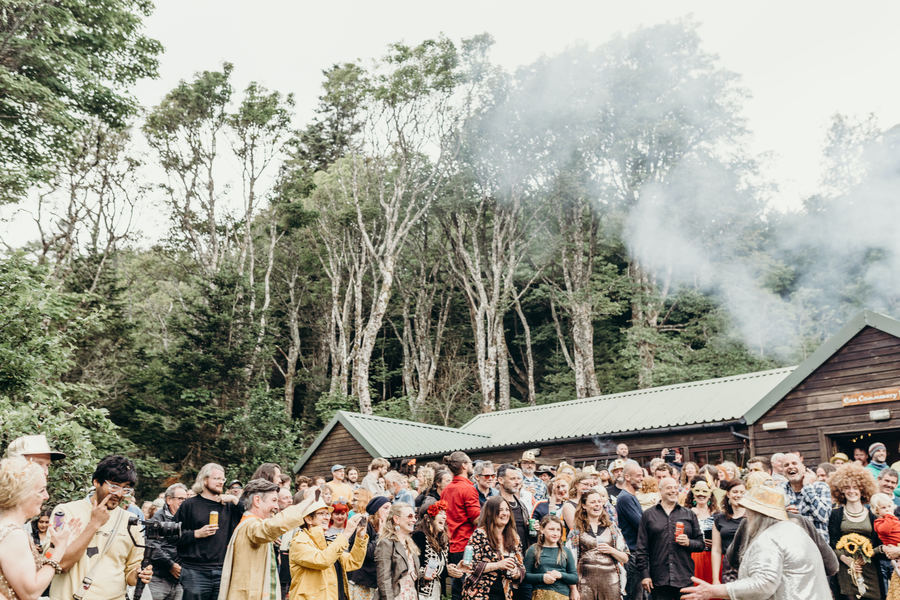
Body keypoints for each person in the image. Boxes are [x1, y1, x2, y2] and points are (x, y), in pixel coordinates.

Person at [679, 484, 831, 600]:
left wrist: (716, 591)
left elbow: (763, 583)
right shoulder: (794, 530)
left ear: (758, 514)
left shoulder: (769, 539)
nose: (745, 515)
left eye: (749, 511)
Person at [50, 455, 153, 600]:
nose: (118, 494)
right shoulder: (63, 513)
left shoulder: (131, 521)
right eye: (114, 486)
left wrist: (139, 574)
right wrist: (94, 524)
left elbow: (131, 575)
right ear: (96, 482)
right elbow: (59, 564)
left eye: (125, 489)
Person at [218, 479, 313, 600]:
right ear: (257, 500)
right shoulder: (250, 525)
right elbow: (273, 526)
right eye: (273, 500)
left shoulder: (253, 524)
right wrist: (309, 500)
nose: (276, 506)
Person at [0, 456, 71, 600]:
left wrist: (52, 548)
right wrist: (59, 550)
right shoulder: (14, 535)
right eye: (41, 490)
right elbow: (30, 592)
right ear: (22, 494)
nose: (46, 496)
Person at [176, 463, 245, 600]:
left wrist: (234, 499)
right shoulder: (189, 505)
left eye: (223, 479)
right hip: (194, 571)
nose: (220, 482)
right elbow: (171, 535)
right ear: (204, 479)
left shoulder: (229, 505)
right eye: (216, 478)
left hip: (222, 570)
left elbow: (249, 519)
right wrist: (196, 534)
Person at [633, 477, 703, 600]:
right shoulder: (648, 515)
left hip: (684, 576)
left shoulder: (688, 514)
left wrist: (689, 542)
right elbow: (642, 548)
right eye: (669, 488)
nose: (673, 491)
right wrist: (645, 575)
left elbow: (701, 544)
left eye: (675, 487)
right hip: (659, 579)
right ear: (660, 491)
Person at [288, 496, 368, 600]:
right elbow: (323, 560)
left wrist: (360, 536)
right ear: (308, 519)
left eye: (327, 514)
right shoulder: (299, 542)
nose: (327, 517)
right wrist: (347, 533)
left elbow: (353, 562)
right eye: (321, 514)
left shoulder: (328, 542)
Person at [828, 463, 884, 600]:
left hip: (870, 570)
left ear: (863, 489)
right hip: (845, 571)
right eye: (847, 487)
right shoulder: (835, 515)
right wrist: (847, 560)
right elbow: (832, 543)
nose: (851, 491)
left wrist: (865, 558)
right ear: (841, 490)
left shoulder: (873, 515)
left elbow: (879, 544)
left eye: (855, 487)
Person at [460, 496, 525, 600]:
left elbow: (521, 567)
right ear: (490, 513)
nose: (505, 513)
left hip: (504, 594)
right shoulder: (480, 534)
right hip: (479, 593)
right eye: (500, 510)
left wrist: (515, 572)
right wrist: (498, 565)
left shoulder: (514, 537)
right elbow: (470, 565)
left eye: (507, 510)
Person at [573, 489, 628, 599]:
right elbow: (571, 561)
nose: (597, 505)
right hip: (584, 583)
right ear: (584, 505)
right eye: (593, 502)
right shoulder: (576, 530)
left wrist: (611, 550)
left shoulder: (612, 528)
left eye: (599, 501)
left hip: (611, 582)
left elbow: (625, 558)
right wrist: (573, 589)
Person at [441, 451, 479, 600]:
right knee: (469, 588)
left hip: (452, 545)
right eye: (470, 463)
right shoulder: (468, 488)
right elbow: (476, 519)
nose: (472, 466)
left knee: (457, 589)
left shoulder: (446, 490)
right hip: (466, 545)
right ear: (464, 465)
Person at [413, 500, 463, 600]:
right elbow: (415, 568)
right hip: (421, 594)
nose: (444, 517)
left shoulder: (442, 540)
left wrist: (455, 569)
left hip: (436, 592)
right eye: (440, 513)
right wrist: (445, 570)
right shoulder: (419, 536)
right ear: (427, 518)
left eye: (445, 514)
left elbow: (442, 570)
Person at [148, 483, 189, 600]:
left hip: (180, 580)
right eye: (180, 498)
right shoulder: (157, 519)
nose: (184, 502)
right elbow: (152, 546)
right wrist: (170, 565)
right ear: (169, 500)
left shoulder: (188, 517)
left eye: (186, 499)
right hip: (158, 579)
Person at [780, 452, 832, 541]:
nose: (790, 466)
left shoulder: (820, 487)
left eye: (794, 463)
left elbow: (824, 517)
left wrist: (808, 488)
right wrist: (783, 512)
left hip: (816, 545)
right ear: (783, 472)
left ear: (803, 468)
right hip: (789, 545)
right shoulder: (780, 490)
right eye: (786, 465)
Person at [347, 496, 391, 600]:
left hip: (376, 583)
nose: (389, 511)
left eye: (390, 508)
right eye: (385, 508)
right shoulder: (364, 526)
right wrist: (379, 535)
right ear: (376, 510)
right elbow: (366, 553)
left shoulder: (387, 528)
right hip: (361, 582)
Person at [524, 515, 577, 599]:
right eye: (551, 529)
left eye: (558, 530)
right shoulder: (533, 549)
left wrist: (560, 575)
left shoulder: (565, 551)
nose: (555, 533)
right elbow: (525, 576)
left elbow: (574, 578)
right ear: (542, 530)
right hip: (540, 595)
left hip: (562, 595)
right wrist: (542, 577)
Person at [374, 503, 419, 600]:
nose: (414, 520)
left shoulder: (410, 544)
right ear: (396, 519)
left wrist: (424, 576)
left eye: (415, 516)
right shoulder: (386, 544)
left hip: (412, 595)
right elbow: (384, 580)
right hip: (396, 596)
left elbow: (411, 576)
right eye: (410, 516)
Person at [615, 460, 644, 600]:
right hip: (632, 554)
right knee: (634, 596)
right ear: (627, 477)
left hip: (637, 553)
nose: (642, 478)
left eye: (642, 475)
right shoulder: (625, 498)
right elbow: (641, 525)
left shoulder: (631, 497)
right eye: (638, 475)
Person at [710, 479, 744, 586]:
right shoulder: (719, 519)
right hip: (728, 568)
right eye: (735, 492)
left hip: (748, 565)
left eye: (742, 492)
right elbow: (716, 550)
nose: (738, 495)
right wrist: (715, 579)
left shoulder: (753, 517)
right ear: (728, 494)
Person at [684, 478, 717, 586]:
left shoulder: (717, 514)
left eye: (704, 491)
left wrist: (716, 544)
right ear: (693, 494)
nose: (701, 495)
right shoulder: (686, 513)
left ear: (710, 495)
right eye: (698, 491)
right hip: (693, 557)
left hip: (712, 557)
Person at [871, 492, 900, 599]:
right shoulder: (879, 522)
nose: (888, 509)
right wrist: (888, 516)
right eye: (884, 507)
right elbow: (885, 530)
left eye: (889, 506)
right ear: (877, 510)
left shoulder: (893, 518)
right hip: (894, 547)